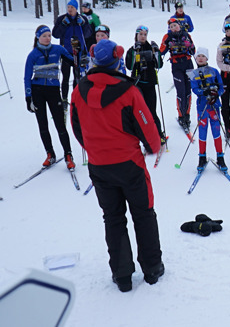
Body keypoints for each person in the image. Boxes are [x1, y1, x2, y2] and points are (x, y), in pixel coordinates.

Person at [69, 39, 165, 293]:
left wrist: (94, 148)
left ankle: (122, 275)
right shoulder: (128, 91)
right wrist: (155, 146)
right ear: (117, 61)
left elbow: (76, 126)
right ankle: (152, 268)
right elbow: (147, 126)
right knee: (143, 213)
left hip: (99, 165)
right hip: (130, 164)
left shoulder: (79, 90)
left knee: (113, 218)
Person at [24, 25, 75, 169]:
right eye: (44, 36)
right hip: (37, 90)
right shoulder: (33, 54)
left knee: (60, 124)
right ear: (38, 37)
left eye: (49, 35)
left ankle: (68, 154)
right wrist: (28, 97)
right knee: (43, 124)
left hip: (53, 90)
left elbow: (72, 61)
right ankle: (50, 154)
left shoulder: (58, 49)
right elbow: (27, 77)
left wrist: (77, 54)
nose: (47, 38)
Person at [125, 25, 166, 146]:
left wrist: (157, 52)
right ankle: (143, 136)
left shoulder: (151, 47)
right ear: (136, 35)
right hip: (137, 84)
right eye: (141, 34)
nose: (143, 37)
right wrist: (134, 53)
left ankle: (159, 134)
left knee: (151, 111)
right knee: (139, 112)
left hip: (150, 84)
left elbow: (159, 65)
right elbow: (129, 66)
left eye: (145, 34)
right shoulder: (132, 49)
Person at [189, 48, 228, 171]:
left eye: (203, 56)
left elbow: (222, 87)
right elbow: (194, 89)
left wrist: (216, 93)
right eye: (198, 56)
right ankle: (202, 156)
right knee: (202, 132)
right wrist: (204, 92)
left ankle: (220, 157)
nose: (200, 58)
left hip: (214, 106)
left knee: (216, 132)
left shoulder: (214, 71)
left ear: (207, 58)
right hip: (202, 107)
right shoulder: (193, 73)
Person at [51, 0, 92, 104]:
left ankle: (76, 98)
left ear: (76, 8)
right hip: (66, 52)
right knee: (65, 76)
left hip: (78, 52)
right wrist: (63, 25)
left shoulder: (82, 19)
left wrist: (83, 24)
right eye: (68, 7)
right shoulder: (62, 19)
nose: (70, 10)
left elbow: (88, 34)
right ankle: (64, 99)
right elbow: (55, 34)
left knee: (77, 76)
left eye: (72, 8)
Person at [160, 18, 196, 133]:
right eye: (171, 27)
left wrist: (189, 45)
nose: (173, 28)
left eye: (175, 26)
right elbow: (162, 51)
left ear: (179, 26)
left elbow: (193, 51)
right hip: (176, 67)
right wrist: (164, 45)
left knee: (188, 91)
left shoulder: (186, 35)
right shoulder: (167, 37)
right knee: (181, 91)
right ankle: (181, 116)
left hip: (188, 64)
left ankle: (187, 115)